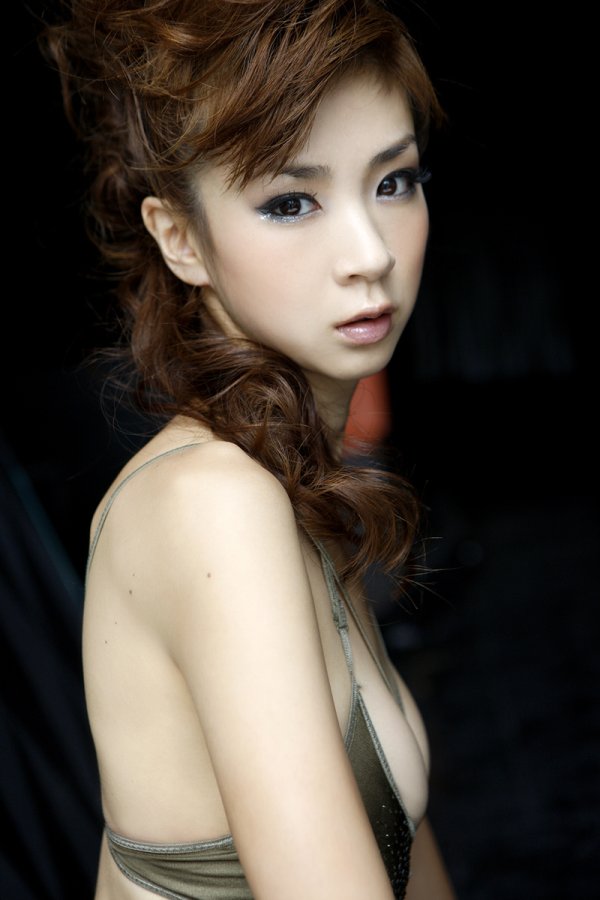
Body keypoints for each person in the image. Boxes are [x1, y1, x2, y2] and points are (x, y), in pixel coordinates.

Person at [41, 1, 457, 897]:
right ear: (180, 239)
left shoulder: (290, 476)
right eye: (290, 202)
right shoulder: (213, 506)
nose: (369, 254)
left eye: (394, 182)